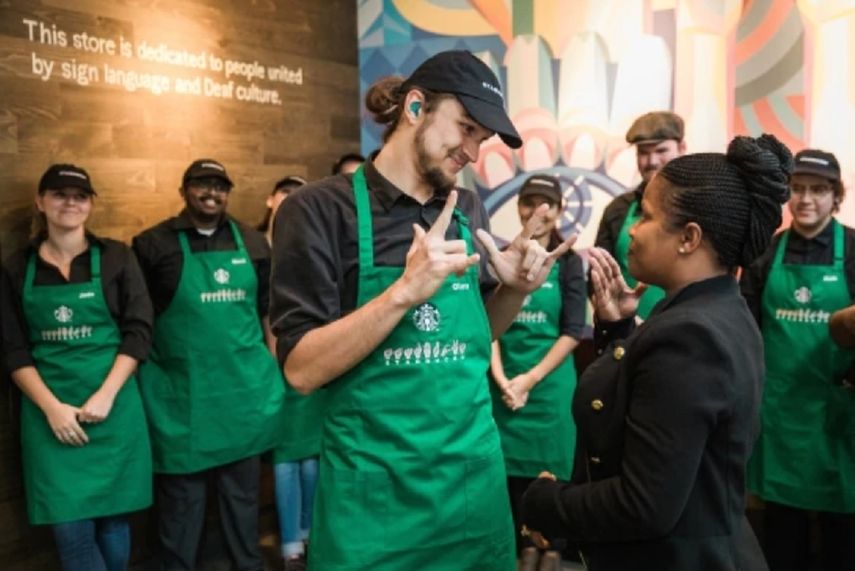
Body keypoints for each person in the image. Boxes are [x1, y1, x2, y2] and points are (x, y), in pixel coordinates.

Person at [269, 50, 575, 570]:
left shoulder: (465, 210)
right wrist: (402, 293)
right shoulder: (319, 211)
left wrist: (517, 292)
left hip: (471, 495)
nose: (473, 151)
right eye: (467, 128)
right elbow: (300, 369)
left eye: (483, 138)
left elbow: (479, 333)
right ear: (415, 107)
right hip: (375, 505)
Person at [521, 134, 793, 570]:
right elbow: (646, 405)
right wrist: (617, 329)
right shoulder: (714, 309)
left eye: (646, 216)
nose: (631, 228)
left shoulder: (691, 336)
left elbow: (642, 503)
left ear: (688, 237)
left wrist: (544, 501)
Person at [132, 159, 286, 571]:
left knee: (243, 507)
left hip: (242, 399)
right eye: (201, 184)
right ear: (184, 190)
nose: (211, 193)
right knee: (181, 512)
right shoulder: (152, 245)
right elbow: (138, 323)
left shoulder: (254, 243)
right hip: (184, 404)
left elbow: (268, 313)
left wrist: (273, 368)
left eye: (220, 186)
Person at [1, 164, 153, 571]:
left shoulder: (118, 257)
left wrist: (105, 396)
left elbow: (138, 332)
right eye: (59, 193)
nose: (70, 202)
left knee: (114, 524)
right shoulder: (17, 267)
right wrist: (51, 408)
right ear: (41, 201)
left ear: (90, 205)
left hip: (114, 411)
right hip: (49, 418)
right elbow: (12, 349)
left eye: (80, 195)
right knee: (72, 536)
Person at [740, 148, 855, 571]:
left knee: (842, 539)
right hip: (780, 417)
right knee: (781, 537)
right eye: (798, 188)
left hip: (838, 418)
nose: (806, 199)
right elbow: (747, 329)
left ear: (835, 196)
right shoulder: (765, 254)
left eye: (818, 190)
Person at [488, 174, 586, 568]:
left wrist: (530, 379)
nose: (536, 212)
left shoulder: (569, 263)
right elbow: (487, 324)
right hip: (503, 384)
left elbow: (573, 331)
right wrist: (501, 379)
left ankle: (549, 547)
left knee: (549, 474)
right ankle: (520, 547)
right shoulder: (503, 254)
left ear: (560, 211)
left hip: (549, 388)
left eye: (546, 204)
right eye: (529, 203)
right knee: (507, 477)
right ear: (518, 208)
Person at [258, 175, 321, 571]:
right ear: (270, 199)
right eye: (285, 193)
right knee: (283, 462)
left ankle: (309, 534)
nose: (291, 200)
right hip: (268, 371)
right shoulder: (253, 249)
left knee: (311, 461)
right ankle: (289, 547)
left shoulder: (311, 243)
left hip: (311, 362)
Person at [594, 111, 686, 319]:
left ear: (682, 148)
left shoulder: (702, 206)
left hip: (687, 335)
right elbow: (597, 277)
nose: (652, 161)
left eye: (661, 150)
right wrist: (617, 320)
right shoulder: (617, 209)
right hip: (626, 337)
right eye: (643, 152)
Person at [257, 175, 307, 243]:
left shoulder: (307, 249)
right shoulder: (246, 243)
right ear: (270, 200)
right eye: (286, 191)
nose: (291, 197)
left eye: (299, 194)